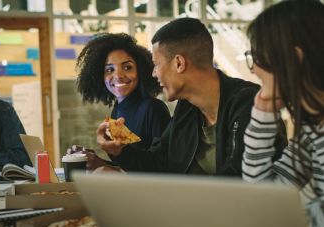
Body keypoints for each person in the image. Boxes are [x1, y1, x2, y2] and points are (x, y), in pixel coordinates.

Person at [96, 17, 287, 176]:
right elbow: (160, 162)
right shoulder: (186, 107)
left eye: (156, 64)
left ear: (179, 63)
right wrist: (120, 151)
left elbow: (237, 182)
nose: (154, 73)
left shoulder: (248, 104)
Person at [242, 0, 324, 227]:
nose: (255, 69)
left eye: (257, 57)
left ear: (293, 58)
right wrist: (263, 113)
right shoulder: (313, 128)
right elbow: (261, 198)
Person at [74, 33, 171, 170]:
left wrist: (104, 165)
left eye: (127, 67)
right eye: (109, 69)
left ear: (141, 70)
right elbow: (127, 166)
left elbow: (161, 167)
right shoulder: (117, 110)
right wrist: (94, 160)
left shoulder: (154, 108)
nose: (118, 76)